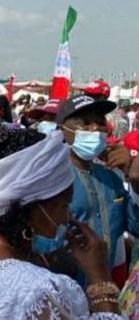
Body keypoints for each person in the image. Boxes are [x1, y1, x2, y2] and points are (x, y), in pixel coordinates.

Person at [0, 128, 122, 319]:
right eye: (64, 204)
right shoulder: (37, 291)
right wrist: (100, 277)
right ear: (36, 207)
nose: (66, 218)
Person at [57, 95, 139, 286]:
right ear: (63, 131)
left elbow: (135, 227)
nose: (95, 128)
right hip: (62, 293)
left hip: (103, 291)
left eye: (100, 121)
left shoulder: (112, 177)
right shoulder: (51, 179)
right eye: (85, 123)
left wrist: (133, 180)